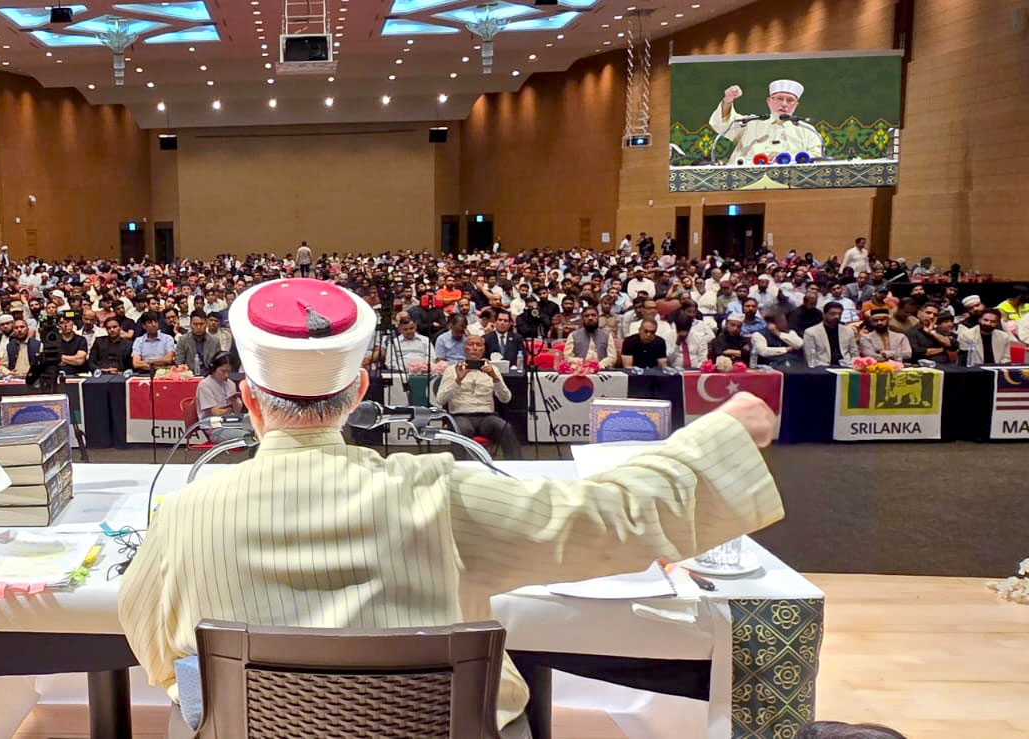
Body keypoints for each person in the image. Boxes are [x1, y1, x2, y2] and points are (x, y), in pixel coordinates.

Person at [116, 277, 784, 739]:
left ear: (250, 401)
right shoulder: (439, 494)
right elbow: (607, 514)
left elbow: (155, 648)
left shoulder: (183, 515)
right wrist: (719, 437)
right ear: (357, 393)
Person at [433, 334, 522, 458]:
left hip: (487, 417)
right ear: (464, 348)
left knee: (505, 428)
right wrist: (458, 380)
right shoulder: (452, 370)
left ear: (483, 349)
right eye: (470, 344)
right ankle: (458, 469)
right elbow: (440, 399)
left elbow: (506, 399)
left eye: (479, 345)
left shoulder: (493, 370)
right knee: (461, 429)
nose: (474, 348)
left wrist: (495, 378)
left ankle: (516, 467)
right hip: (461, 415)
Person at [707, 79, 822, 165]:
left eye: (790, 100)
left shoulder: (807, 130)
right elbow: (722, 125)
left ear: (796, 105)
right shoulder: (751, 123)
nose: (784, 104)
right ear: (769, 101)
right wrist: (728, 99)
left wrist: (787, 159)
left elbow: (816, 159)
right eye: (779, 98)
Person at [193, 353, 244, 443]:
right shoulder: (205, 385)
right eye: (223, 371)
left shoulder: (230, 384)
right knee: (249, 437)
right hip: (215, 429)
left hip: (231, 423)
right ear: (213, 369)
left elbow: (237, 411)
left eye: (229, 372)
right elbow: (216, 413)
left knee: (258, 432)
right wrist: (232, 407)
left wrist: (234, 404)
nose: (226, 375)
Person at [803, 302, 857, 367]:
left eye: (839, 314)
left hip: (846, 367)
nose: (837, 317)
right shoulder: (811, 332)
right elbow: (811, 359)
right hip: (822, 368)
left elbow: (855, 354)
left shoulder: (848, 331)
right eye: (833, 314)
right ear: (824, 314)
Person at [174, 311, 222, 376]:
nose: (199, 327)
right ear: (190, 324)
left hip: (210, 376)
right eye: (195, 324)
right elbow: (179, 363)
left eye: (201, 324)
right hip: (189, 376)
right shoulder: (183, 340)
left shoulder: (215, 341)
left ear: (206, 324)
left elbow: (219, 364)